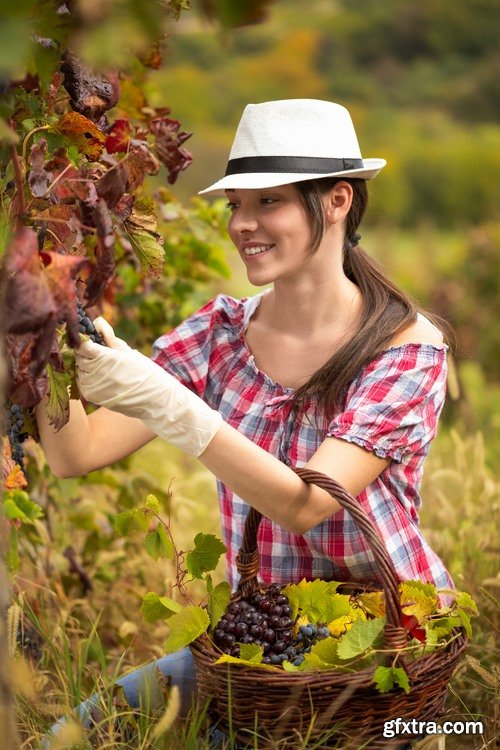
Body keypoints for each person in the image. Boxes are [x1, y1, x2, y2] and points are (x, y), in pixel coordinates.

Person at [37, 99, 453, 745]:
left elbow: (308, 504)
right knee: (70, 735)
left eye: (269, 203)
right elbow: (75, 453)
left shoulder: (404, 349)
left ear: (337, 201)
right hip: (260, 644)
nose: (243, 223)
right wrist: (42, 344)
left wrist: (171, 405)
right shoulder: (220, 332)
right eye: (236, 204)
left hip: (380, 649)